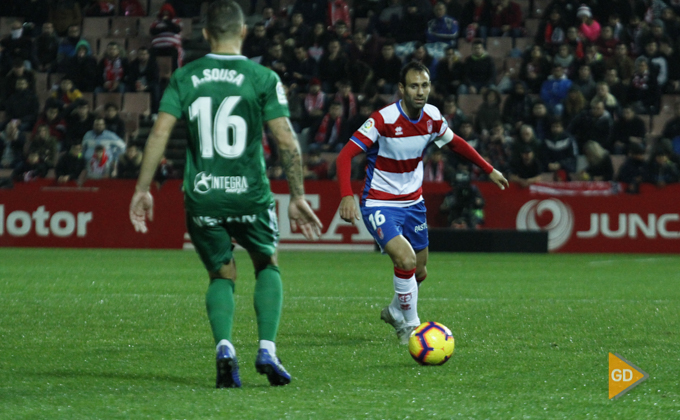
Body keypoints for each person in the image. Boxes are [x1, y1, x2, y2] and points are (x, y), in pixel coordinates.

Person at [128, 0, 322, 389]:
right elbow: (286, 139)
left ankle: (225, 348)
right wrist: (298, 195)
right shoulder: (262, 77)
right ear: (244, 32)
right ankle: (266, 347)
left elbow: (161, 133)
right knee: (266, 263)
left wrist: (142, 189)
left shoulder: (185, 76)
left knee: (222, 273)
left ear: (205, 35)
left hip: (203, 196)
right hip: (249, 194)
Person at [335, 61, 508, 345]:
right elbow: (344, 157)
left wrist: (489, 169)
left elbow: (456, 143)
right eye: (414, 86)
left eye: (425, 85)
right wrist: (346, 195)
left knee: (419, 271)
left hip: (413, 203)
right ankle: (412, 329)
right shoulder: (383, 119)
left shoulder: (432, 117)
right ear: (402, 89)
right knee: (405, 259)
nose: (420, 91)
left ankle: (394, 311)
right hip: (379, 202)